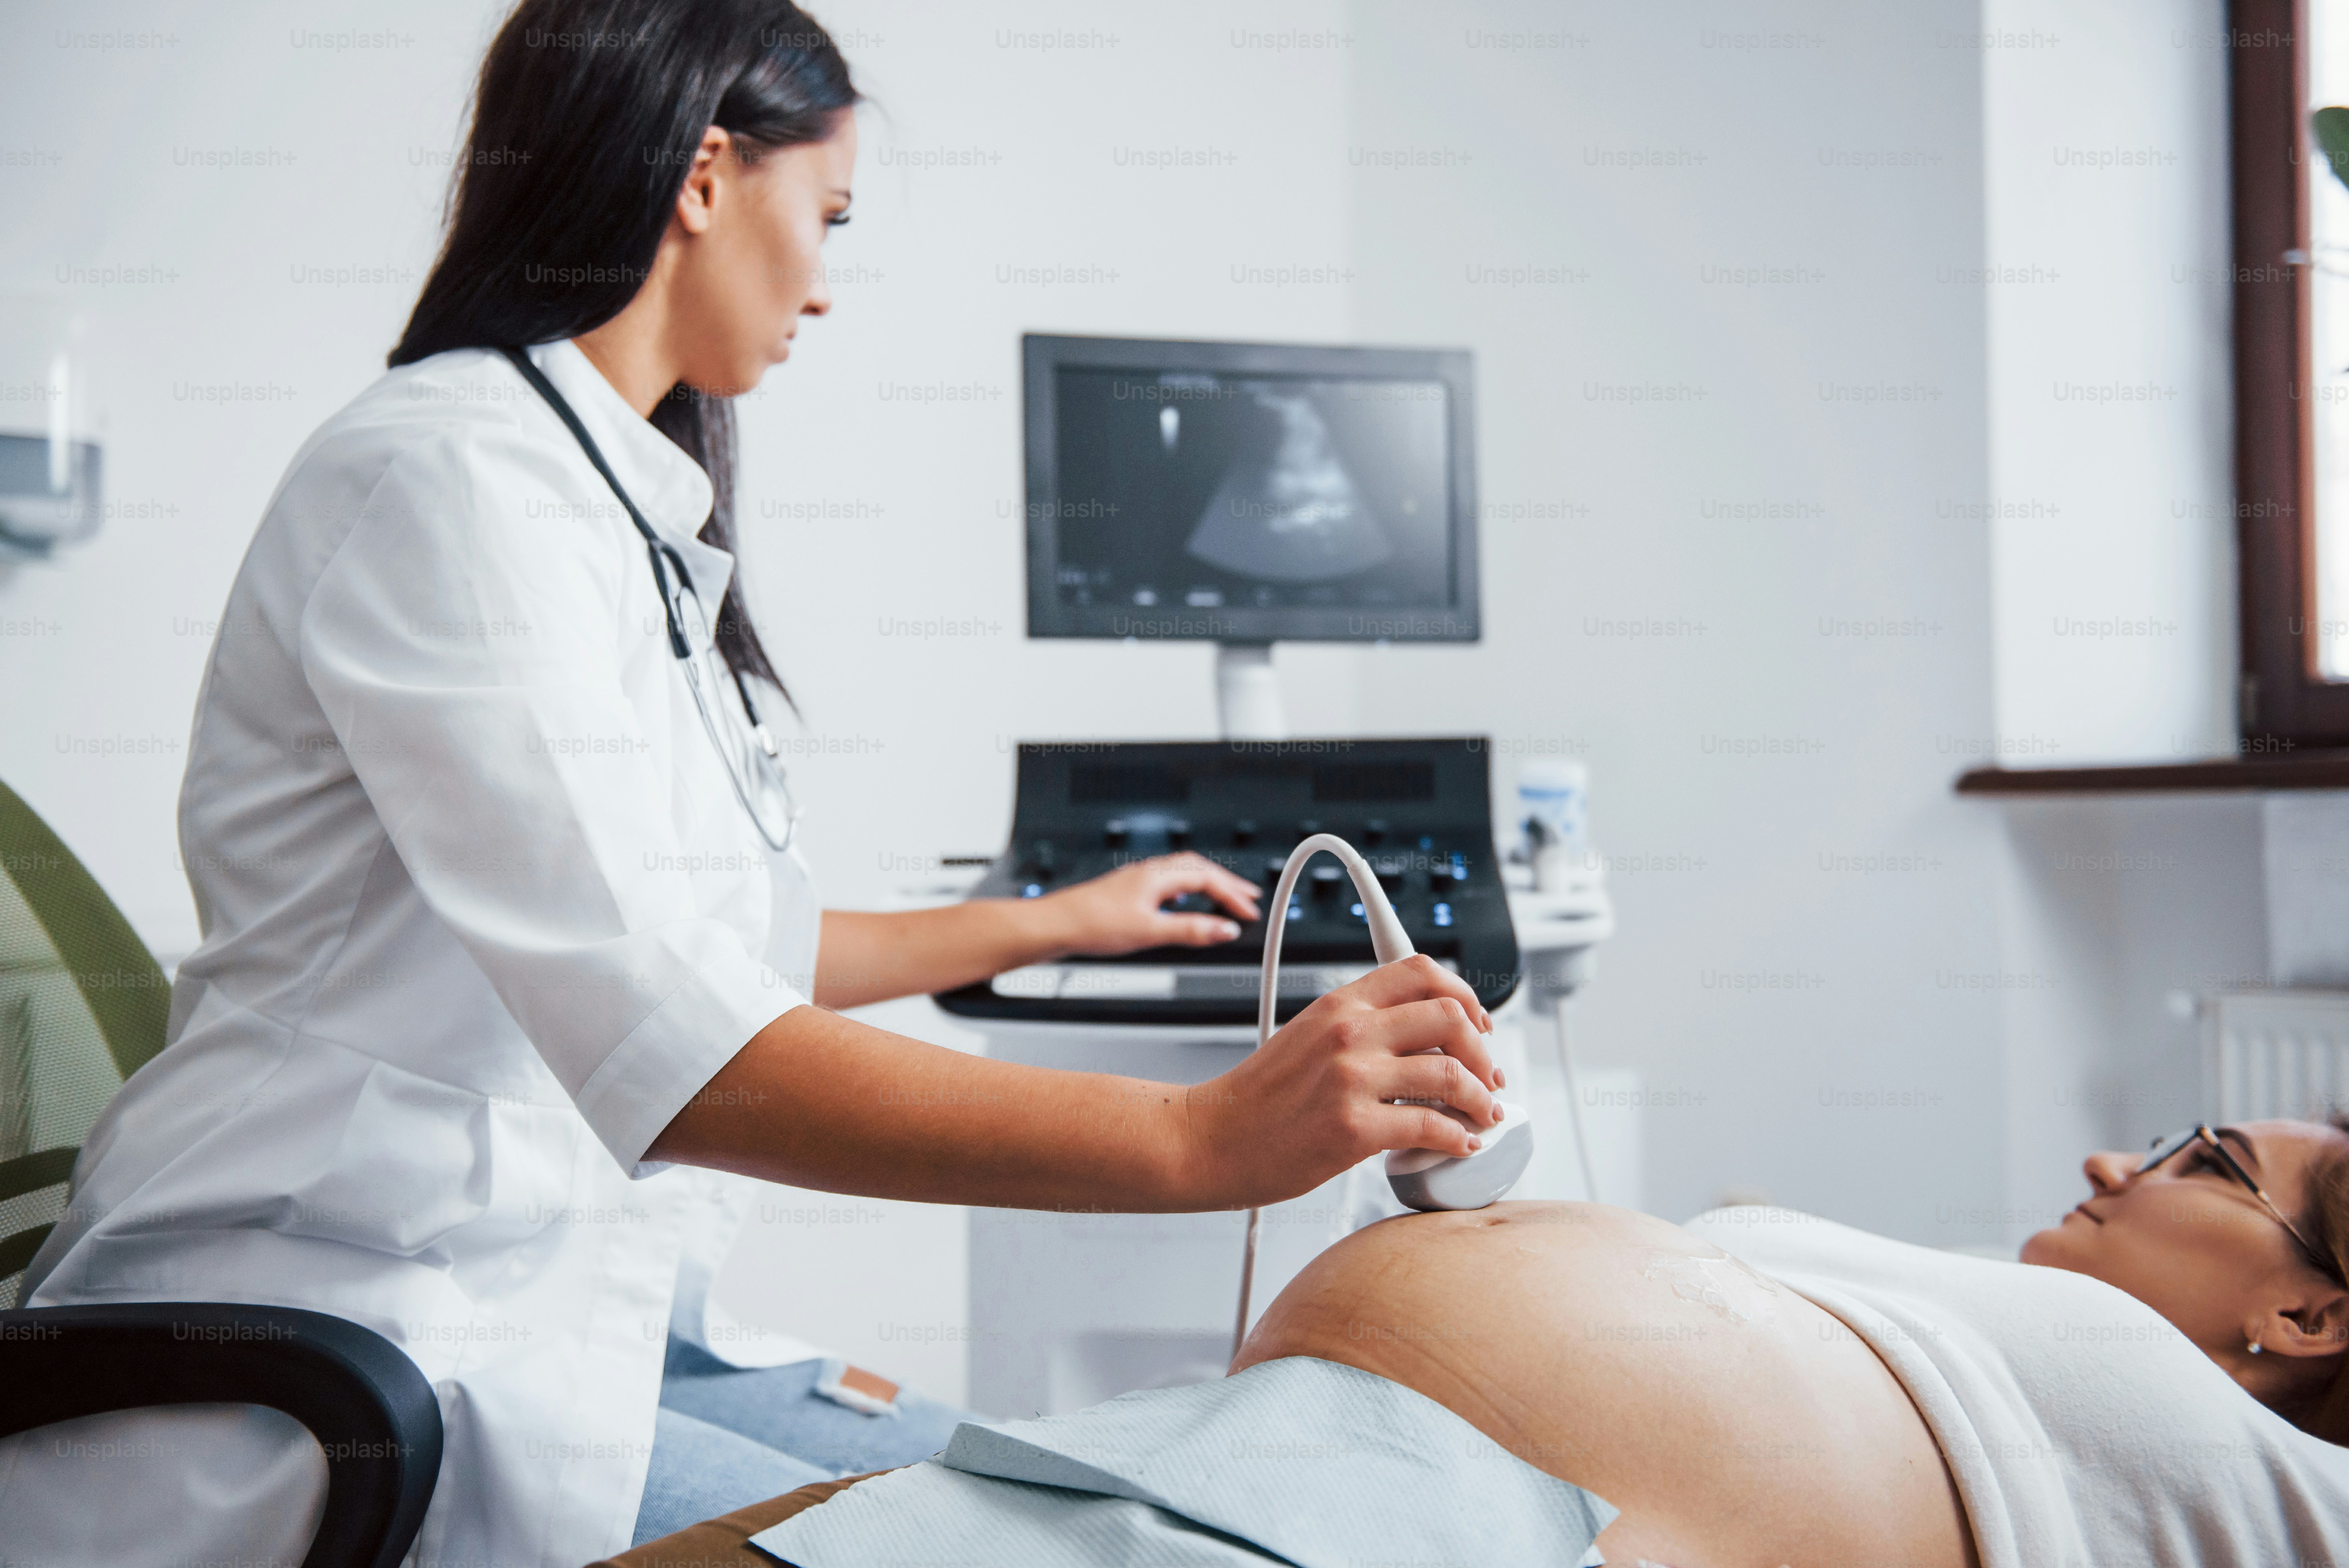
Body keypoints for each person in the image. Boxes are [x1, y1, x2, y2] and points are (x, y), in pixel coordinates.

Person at [0, 4, 1506, 1565]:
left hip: (550, 1310)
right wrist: (1200, 1144)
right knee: (1041, 1543)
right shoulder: (444, 482)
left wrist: (1051, 917)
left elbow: (723, 950)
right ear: (707, 173)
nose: (828, 285)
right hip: (337, 1342)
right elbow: (682, 1047)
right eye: (828, 216)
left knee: (1041, 1491)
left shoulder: (612, 515)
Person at [1232, 1116, 2349, 1567]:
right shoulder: (2002, 1332)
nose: (2116, 1165)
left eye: (2207, 1159)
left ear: (2310, 1317)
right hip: (1276, 1459)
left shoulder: (2280, 1489)